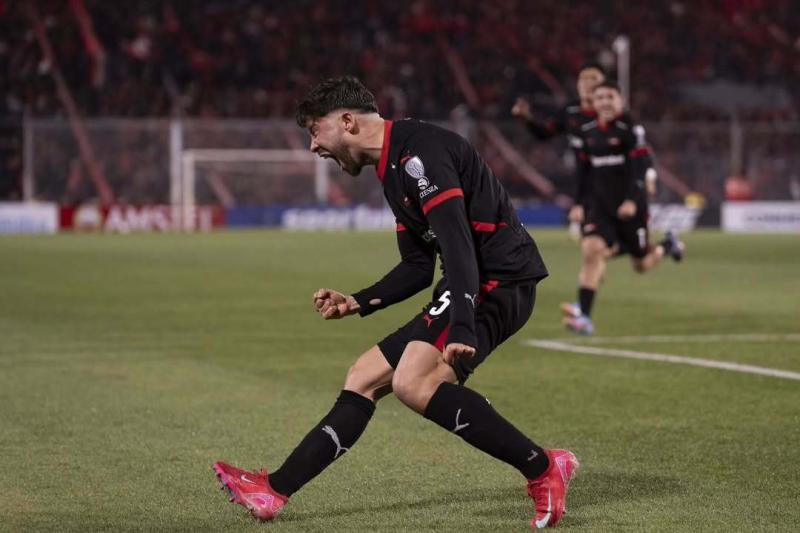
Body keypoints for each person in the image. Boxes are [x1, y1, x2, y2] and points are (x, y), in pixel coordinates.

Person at [213, 76, 579, 529]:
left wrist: (463, 324)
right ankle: (274, 491)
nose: (312, 147)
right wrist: (358, 302)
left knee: (413, 384)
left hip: (498, 281)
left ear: (347, 121)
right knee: (364, 376)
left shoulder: (418, 155)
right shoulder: (393, 168)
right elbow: (417, 267)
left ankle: (543, 468)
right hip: (470, 281)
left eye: (314, 130)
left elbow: (459, 245)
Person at [561, 81, 684, 335]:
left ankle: (666, 246)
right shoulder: (588, 133)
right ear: (593, 104)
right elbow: (583, 173)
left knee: (641, 265)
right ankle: (584, 316)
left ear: (620, 101)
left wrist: (633, 197)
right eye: (600, 97)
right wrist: (578, 204)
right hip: (600, 208)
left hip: (632, 210)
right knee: (592, 250)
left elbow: (642, 164)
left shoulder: (630, 130)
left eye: (610, 96)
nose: (605, 101)